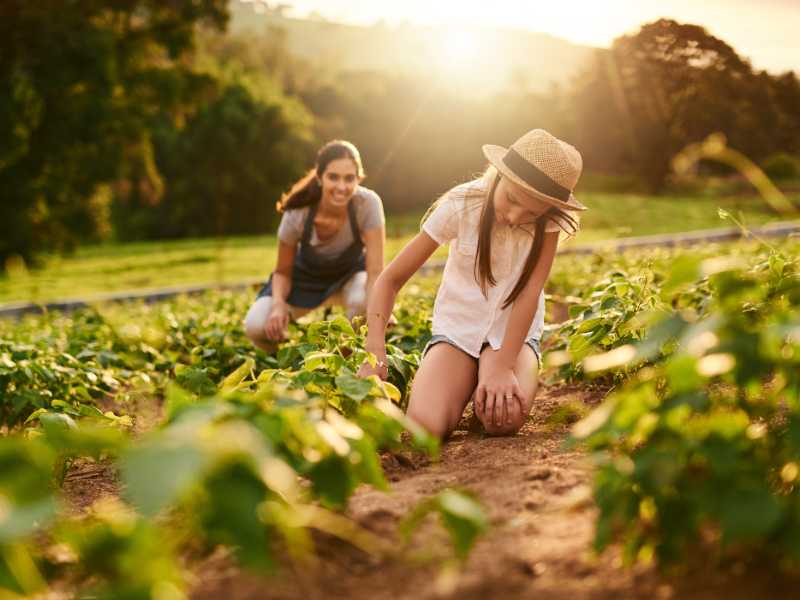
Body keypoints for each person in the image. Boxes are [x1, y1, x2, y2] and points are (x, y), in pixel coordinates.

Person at [357, 129, 585, 439]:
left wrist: (503, 366)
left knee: (503, 419)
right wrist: (375, 349)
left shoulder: (551, 223)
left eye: (532, 213)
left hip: (511, 336)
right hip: (458, 333)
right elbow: (390, 280)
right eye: (512, 200)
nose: (516, 217)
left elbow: (530, 293)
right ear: (500, 175)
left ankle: (485, 383)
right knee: (424, 431)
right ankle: (462, 382)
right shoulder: (461, 204)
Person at [245, 140, 385, 351]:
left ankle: (346, 358)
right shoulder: (297, 213)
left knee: (363, 298)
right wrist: (278, 305)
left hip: (349, 278)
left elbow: (375, 271)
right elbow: (282, 271)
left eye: (349, 178)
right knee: (256, 326)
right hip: (304, 282)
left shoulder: (368, 204)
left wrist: (379, 314)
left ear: (359, 178)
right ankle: (280, 363)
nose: (342, 187)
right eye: (333, 177)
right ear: (319, 177)